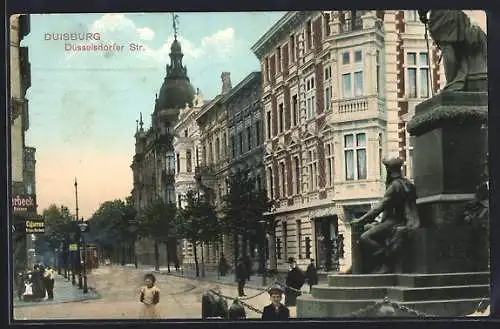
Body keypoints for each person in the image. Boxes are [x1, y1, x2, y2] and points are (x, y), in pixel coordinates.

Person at [351, 157, 420, 274]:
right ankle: (359, 267)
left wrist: (361, 220)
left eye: (386, 168)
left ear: (389, 170)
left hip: (396, 221)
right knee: (368, 228)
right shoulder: (407, 183)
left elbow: (380, 207)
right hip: (401, 220)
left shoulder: (394, 186)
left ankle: (386, 261)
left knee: (365, 237)